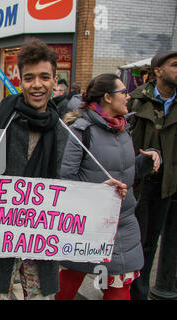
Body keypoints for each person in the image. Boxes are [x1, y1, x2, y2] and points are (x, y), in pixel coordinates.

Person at [0, 38, 73, 300]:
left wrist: (104, 192)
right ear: (19, 81)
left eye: (45, 77)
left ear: (55, 81)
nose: (37, 85)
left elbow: (71, 185)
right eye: (29, 77)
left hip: (40, 246)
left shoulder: (62, 131)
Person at [55, 73, 161, 300]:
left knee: (119, 288)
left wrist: (148, 160)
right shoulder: (81, 130)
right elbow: (66, 180)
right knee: (70, 280)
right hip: (87, 224)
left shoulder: (125, 128)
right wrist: (99, 191)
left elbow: (124, 173)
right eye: (123, 92)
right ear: (107, 97)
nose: (128, 96)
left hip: (123, 223)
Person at [129, 50, 177, 300]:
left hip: (168, 185)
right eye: (175, 65)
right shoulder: (136, 101)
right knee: (133, 243)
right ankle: (127, 290)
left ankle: (143, 292)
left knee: (153, 244)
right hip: (138, 184)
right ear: (158, 71)